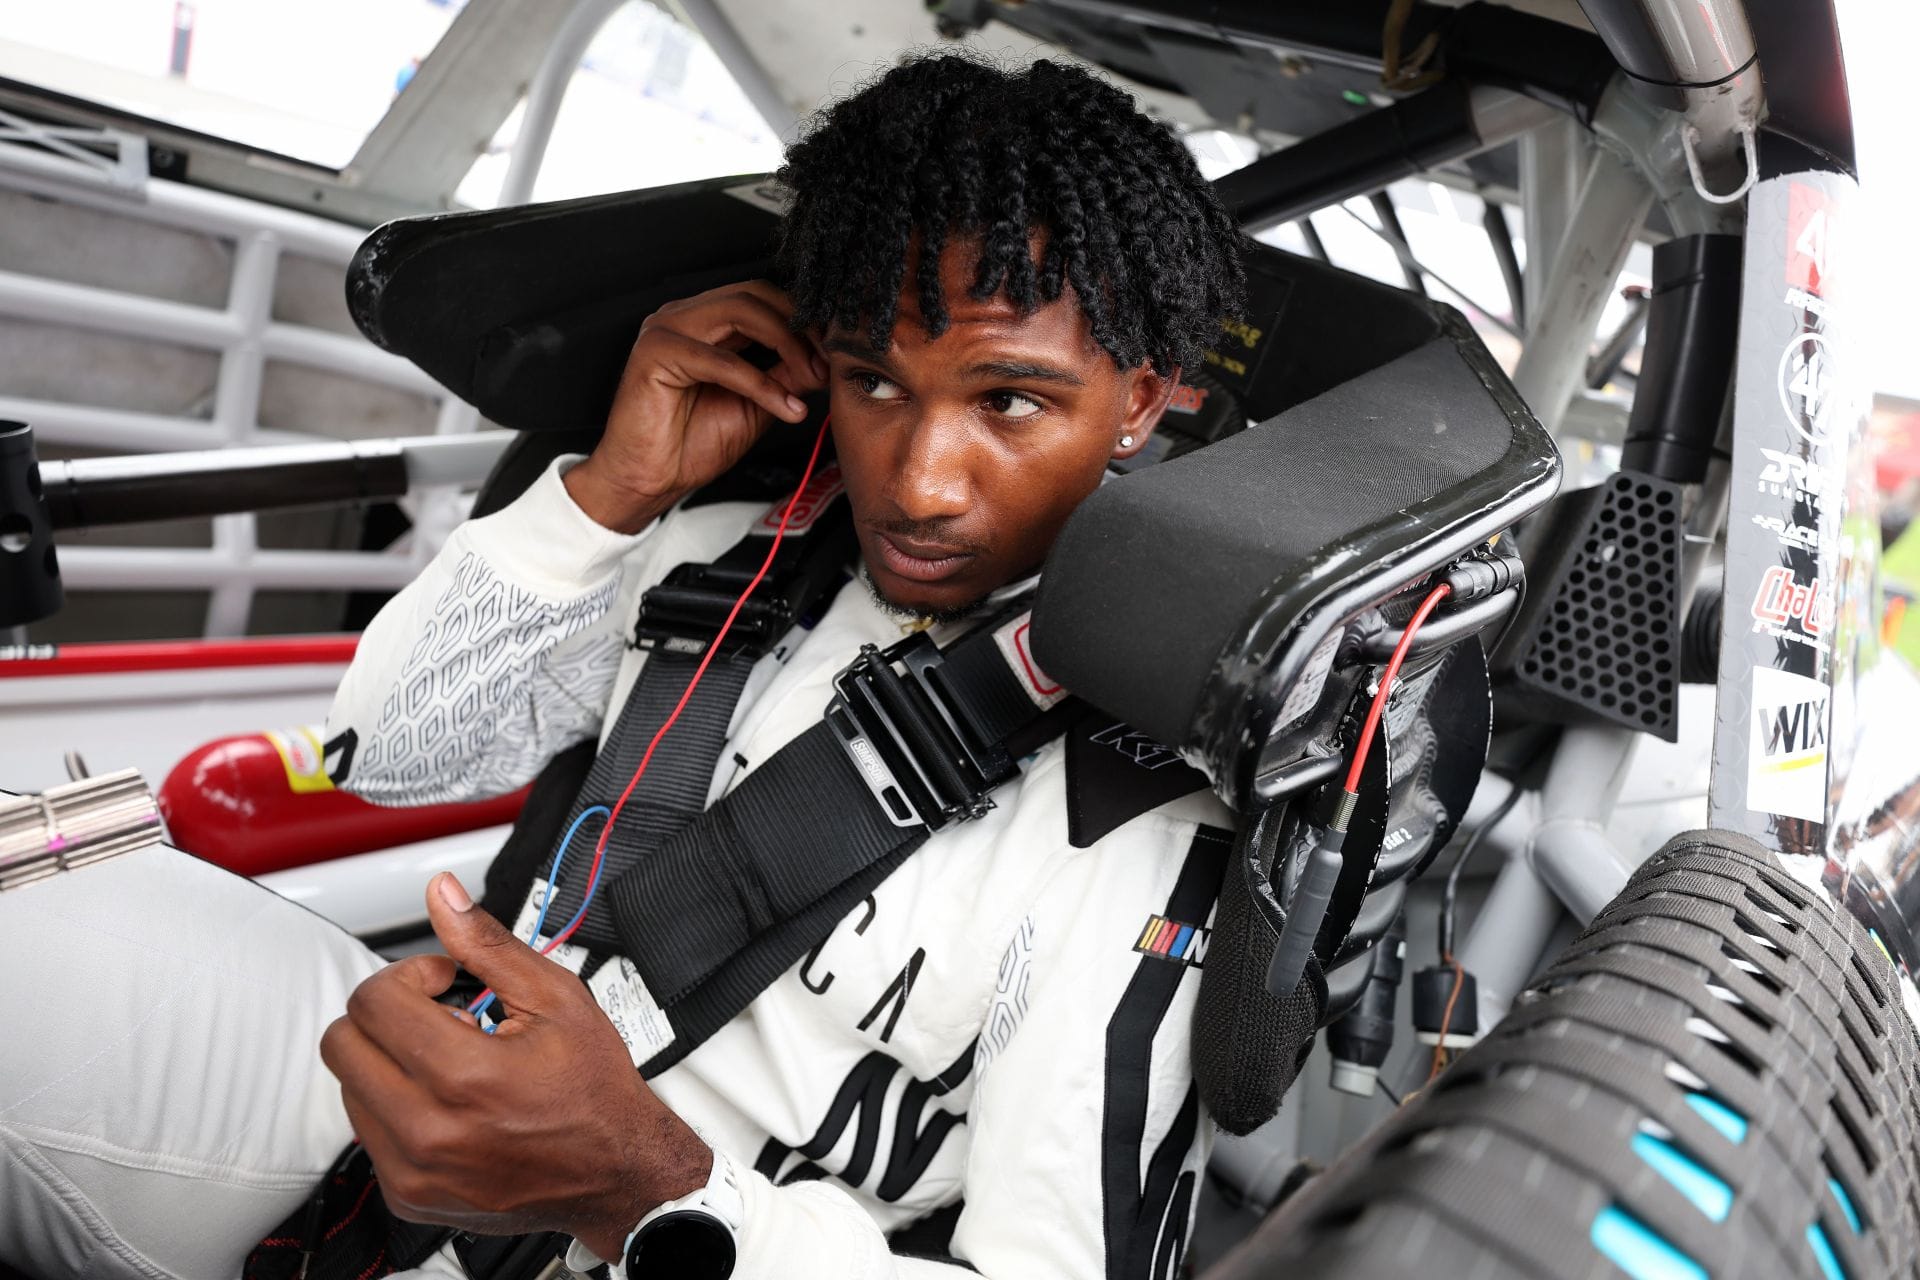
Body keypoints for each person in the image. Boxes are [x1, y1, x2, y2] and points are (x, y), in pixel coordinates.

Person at [0, 51, 1246, 1280]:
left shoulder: (1132, 816)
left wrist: (640, 1183)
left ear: (1137, 400)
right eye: (875, 380)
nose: (919, 482)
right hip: (390, 1094)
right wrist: (611, 492)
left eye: (1010, 402)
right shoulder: (724, 554)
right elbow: (392, 755)